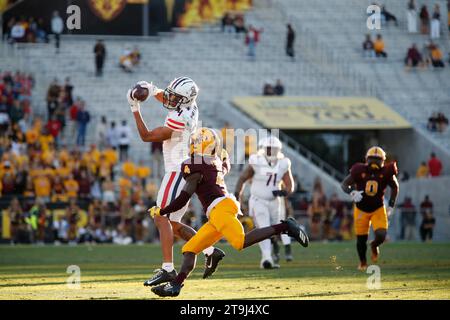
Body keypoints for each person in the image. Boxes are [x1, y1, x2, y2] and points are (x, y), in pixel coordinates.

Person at [148, 127, 309, 297]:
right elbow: (224, 169)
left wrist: (162, 210)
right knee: (190, 248)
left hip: (221, 210)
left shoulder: (194, 165)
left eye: (194, 142)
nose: (191, 145)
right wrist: (225, 160)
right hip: (217, 212)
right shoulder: (214, 162)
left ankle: (285, 227)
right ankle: (176, 285)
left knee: (240, 242)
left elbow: (184, 196)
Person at [127, 77, 224, 286]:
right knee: (173, 223)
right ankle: (210, 250)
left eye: (176, 97)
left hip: (176, 170)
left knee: (160, 217)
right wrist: (153, 91)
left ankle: (168, 269)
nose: (170, 99)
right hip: (183, 167)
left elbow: (147, 136)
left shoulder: (180, 120)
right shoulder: (190, 105)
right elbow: (170, 99)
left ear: (185, 100)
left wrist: (134, 107)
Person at [234, 136, 295, 268]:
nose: (271, 151)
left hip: (275, 202)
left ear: (278, 149)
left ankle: (272, 254)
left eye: (273, 149)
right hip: (258, 200)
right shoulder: (256, 161)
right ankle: (266, 258)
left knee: (274, 230)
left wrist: (284, 192)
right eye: (268, 148)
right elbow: (243, 178)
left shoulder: (283, 163)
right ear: (263, 148)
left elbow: (290, 185)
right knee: (263, 227)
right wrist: (237, 194)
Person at [340, 146, 399, 271]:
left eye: (377, 159)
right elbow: (344, 184)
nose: (374, 162)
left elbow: (395, 187)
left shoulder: (386, 171)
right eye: (372, 159)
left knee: (381, 235)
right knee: (361, 240)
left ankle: (374, 245)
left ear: (383, 161)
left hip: (378, 208)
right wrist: (352, 192)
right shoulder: (359, 170)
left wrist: (391, 205)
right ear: (367, 159)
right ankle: (363, 262)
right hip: (361, 209)